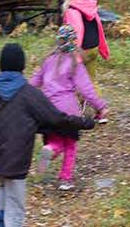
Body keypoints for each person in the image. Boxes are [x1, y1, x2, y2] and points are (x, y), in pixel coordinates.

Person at [0, 43, 96, 227]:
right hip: (18, 159)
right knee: (15, 207)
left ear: (1, 65)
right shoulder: (29, 94)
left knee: (4, 186)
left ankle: (0, 222)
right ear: (22, 66)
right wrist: (85, 122)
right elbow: (57, 119)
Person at [30, 25, 109, 191]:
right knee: (70, 144)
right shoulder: (75, 63)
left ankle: (49, 149)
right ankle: (65, 180)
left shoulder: (48, 60)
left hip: (47, 109)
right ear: (74, 42)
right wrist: (100, 107)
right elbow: (86, 89)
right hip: (69, 109)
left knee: (54, 140)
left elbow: (33, 83)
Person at [59, 0, 110, 65]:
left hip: (83, 51)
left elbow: (76, 31)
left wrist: (75, 57)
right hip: (94, 47)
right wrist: (103, 49)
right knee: (90, 79)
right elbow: (98, 26)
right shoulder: (88, 4)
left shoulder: (72, 9)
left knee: (77, 78)